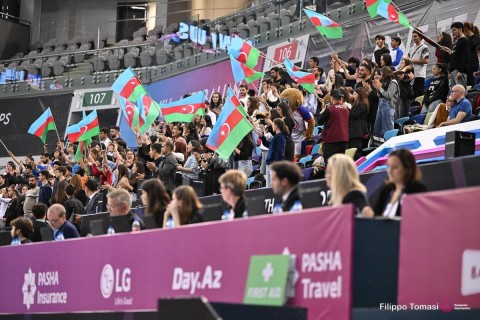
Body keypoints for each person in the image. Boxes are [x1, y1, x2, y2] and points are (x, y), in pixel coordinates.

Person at [373, 149, 427, 217]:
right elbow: (375, 216)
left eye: (395, 167)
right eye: (389, 167)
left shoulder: (417, 189)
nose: (390, 171)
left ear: (407, 168)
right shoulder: (386, 190)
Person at [317, 89, 350, 164]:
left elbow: (319, 121)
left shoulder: (330, 109)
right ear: (341, 98)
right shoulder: (346, 109)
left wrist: (322, 112)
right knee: (340, 163)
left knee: (329, 163)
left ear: (331, 98)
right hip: (343, 139)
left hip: (331, 139)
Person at [372, 66, 399, 137]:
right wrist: (377, 88)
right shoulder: (384, 82)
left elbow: (389, 96)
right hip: (381, 104)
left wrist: (380, 88)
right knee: (377, 129)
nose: (380, 76)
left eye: (381, 74)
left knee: (387, 129)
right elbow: (379, 96)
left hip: (388, 106)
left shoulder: (393, 82)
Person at [443, 22, 470, 88]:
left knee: (460, 92)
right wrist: (449, 51)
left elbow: (465, 56)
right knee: (454, 92)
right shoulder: (457, 42)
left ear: (460, 29)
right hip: (453, 71)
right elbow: (455, 56)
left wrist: (461, 71)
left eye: (454, 30)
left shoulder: (465, 41)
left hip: (459, 71)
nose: (452, 32)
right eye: (452, 30)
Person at [348, 87, 369, 159]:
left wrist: (348, 108)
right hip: (354, 131)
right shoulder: (355, 104)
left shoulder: (362, 104)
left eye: (355, 94)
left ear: (360, 95)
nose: (353, 95)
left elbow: (354, 115)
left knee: (356, 152)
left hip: (357, 131)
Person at [407, 30, 430, 98]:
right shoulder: (411, 49)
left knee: (419, 96)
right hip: (411, 75)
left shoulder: (424, 47)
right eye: (412, 36)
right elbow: (408, 60)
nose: (413, 38)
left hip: (420, 75)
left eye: (415, 36)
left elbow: (426, 60)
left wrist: (412, 60)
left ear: (420, 37)